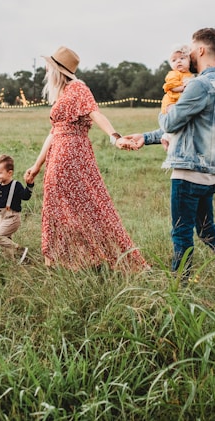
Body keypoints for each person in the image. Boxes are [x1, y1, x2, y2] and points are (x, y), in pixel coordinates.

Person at [123, 28, 215, 294]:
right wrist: (146, 137)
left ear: (202, 50)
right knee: (208, 230)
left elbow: (172, 121)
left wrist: (166, 110)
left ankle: (178, 290)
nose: (189, 55)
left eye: (192, 50)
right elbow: (187, 127)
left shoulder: (199, 84)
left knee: (181, 233)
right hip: (210, 174)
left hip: (188, 172)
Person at [24, 46, 149, 272]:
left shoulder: (78, 88)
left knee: (87, 205)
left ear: (58, 70)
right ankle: (65, 260)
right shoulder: (62, 94)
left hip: (72, 154)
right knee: (58, 206)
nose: (45, 70)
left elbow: (95, 113)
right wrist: (36, 166)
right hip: (58, 153)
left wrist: (115, 137)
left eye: (49, 67)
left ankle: (90, 257)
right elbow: (53, 132)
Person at [160, 44, 194, 150]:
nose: (178, 61)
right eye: (174, 60)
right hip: (171, 102)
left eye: (182, 58)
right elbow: (171, 86)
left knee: (181, 121)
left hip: (180, 102)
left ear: (189, 61)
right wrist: (184, 87)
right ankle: (167, 138)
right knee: (175, 117)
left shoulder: (191, 75)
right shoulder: (174, 74)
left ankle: (166, 137)